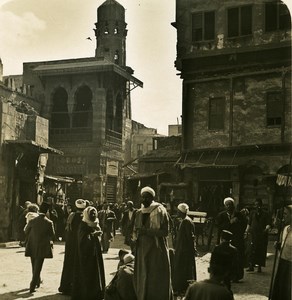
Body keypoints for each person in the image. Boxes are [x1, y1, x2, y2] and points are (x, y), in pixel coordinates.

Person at [132, 186, 173, 300]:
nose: (144, 200)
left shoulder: (160, 211)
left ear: (152, 198)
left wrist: (147, 231)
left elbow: (165, 232)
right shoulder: (139, 212)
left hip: (156, 249)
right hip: (142, 249)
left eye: (147, 197)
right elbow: (135, 229)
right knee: (143, 275)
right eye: (142, 197)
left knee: (155, 277)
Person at [71, 205, 105, 300]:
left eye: (94, 213)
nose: (93, 215)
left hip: (95, 254)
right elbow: (82, 241)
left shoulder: (95, 223)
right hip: (86, 257)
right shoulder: (83, 225)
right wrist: (94, 235)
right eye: (91, 214)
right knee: (87, 275)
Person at [24, 201, 55, 293]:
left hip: (32, 244)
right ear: (47, 212)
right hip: (42, 246)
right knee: (38, 265)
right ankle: (33, 284)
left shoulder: (32, 221)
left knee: (34, 264)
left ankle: (36, 281)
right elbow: (53, 235)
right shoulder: (49, 222)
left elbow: (26, 231)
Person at [58, 199, 86, 295]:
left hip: (71, 244)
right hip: (80, 244)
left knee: (69, 264)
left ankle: (66, 286)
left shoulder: (71, 216)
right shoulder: (85, 218)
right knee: (79, 265)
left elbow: (67, 230)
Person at [216, 197, 246, 281]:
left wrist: (238, 223)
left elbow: (244, 226)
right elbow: (219, 227)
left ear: (233, 206)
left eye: (230, 205)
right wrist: (230, 222)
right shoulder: (221, 215)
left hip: (237, 239)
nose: (229, 206)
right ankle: (226, 275)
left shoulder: (239, 215)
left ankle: (236, 276)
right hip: (225, 240)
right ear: (225, 206)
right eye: (227, 205)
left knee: (236, 258)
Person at [173, 202, 197, 297]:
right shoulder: (185, 220)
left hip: (184, 250)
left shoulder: (186, 221)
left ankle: (182, 288)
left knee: (183, 268)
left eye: (178, 211)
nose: (177, 213)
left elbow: (190, 237)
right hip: (182, 249)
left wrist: (191, 249)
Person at [271, 203, 292, 300]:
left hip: (290, 265)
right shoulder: (285, 229)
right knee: (280, 290)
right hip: (282, 262)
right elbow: (284, 244)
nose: (283, 217)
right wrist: (279, 246)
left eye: (286, 214)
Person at [245, 198, 272, 273]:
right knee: (251, 250)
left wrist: (267, 228)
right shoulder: (252, 213)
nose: (257, 207)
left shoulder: (266, 214)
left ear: (261, 205)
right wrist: (246, 232)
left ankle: (259, 267)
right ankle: (251, 266)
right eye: (256, 205)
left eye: (259, 205)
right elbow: (249, 223)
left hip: (262, 235)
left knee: (261, 250)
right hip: (253, 234)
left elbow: (269, 223)